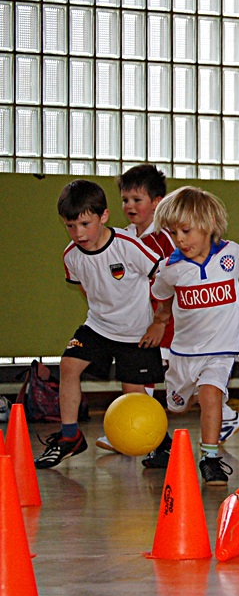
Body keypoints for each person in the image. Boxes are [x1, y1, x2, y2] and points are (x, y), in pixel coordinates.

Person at [149, 186, 239, 485]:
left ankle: (210, 458)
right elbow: (161, 296)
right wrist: (160, 319)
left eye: (186, 230)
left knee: (210, 393)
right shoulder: (171, 268)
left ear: (209, 226)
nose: (180, 239)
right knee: (177, 406)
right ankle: (213, 416)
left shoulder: (230, 254)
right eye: (174, 232)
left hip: (220, 350)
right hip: (184, 354)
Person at [117, 166, 239, 468]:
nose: (130, 206)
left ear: (158, 202)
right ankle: (152, 428)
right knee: (177, 398)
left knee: (201, 386)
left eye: (137, 199)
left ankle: (164, 441)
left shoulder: (172, 242)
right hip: (146, 322)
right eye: (125, 200)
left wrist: (161, 321)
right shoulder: (125, 238)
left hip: (180, 332)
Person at [34, 180, 165, 469]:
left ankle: (160, 445)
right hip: (98, 327)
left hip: (135, 333)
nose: (78, 233)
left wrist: (159, 321)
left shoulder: (128, 246)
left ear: (103, 216)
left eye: (85, 223)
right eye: (70, 226)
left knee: (135, 397)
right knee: (68, 365)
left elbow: (164, 278)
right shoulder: (71, 256)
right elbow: (85, 287)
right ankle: (70, 437)